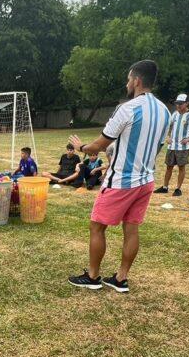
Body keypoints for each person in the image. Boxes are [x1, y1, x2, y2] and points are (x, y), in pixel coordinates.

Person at [67, 59, 170, 293]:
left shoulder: (128, 108)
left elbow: (98, 146)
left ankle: (93, 277)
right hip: (146, 181)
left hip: (122, 180)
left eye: (128, 79)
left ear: (137, 80)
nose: (127, 83)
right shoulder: (165, 111)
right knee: (131, 229)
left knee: (97, 227)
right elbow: (158, 147)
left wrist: (81, 146)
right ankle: (121, 279)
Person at [155, 93, 189, 196]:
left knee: (181, 167)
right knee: (169, 166)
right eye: (177, 103)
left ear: (187, 103)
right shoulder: (175, 114)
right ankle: (165, 187)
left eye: (181, 104)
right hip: (172, 146)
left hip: (183, 147)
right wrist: (168, 137)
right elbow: (169, 126)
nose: (178, 106)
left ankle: (178, 189)